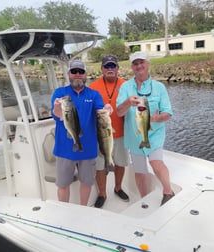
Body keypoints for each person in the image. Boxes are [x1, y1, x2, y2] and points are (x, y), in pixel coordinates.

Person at [116, 51, 175, 205]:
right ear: (132, 67)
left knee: (156, 163)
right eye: (135, 63)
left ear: (148, 64)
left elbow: (168, 113)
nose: (139, 66)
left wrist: (157, 118)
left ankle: (168, 191)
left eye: (142, 62)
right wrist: (128, 102)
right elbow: (119, 112)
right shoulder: (125, 87)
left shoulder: (159, 87)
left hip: (154, 134)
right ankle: (144, 198)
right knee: (140, 170)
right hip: (134, 137)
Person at [51, 59, 111, 206]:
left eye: (81, 71)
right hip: (64, 149)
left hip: (89, 148)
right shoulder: (60, 93)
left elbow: (100, 111)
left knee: (86, 182)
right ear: (68, 74)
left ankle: (83, 208)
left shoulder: (94, 94)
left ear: (85, 75)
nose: (77, 75)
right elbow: (56, 115)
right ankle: (64, 209)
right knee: (63, 184)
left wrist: (107, 110)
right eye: (74, 71)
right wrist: (58, 107)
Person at [90, 55, 130, 208]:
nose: (110, 69)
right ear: (102, 69)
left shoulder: (126, 85)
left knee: (121, 163)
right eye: (107, 66)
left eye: (113, 66)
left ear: (118, 68)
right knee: (100, 165)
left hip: (121, 133)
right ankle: (102, 193)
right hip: (100, 134)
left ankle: (118, 187)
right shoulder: (93, 87)